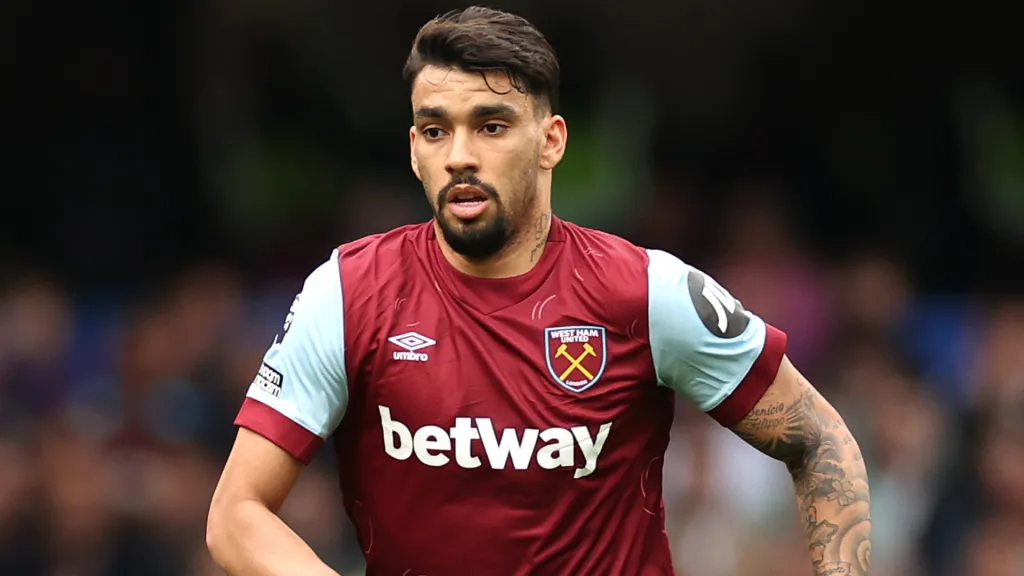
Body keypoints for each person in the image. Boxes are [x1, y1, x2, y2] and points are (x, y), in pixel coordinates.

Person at [206, 7, 872, 575]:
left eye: (491, 126)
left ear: (550, 140)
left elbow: (817, 439)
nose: (460, 154)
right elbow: (236, 512)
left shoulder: (645, 291)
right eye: (436, 130)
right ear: (413, 150)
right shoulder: (349, 293)